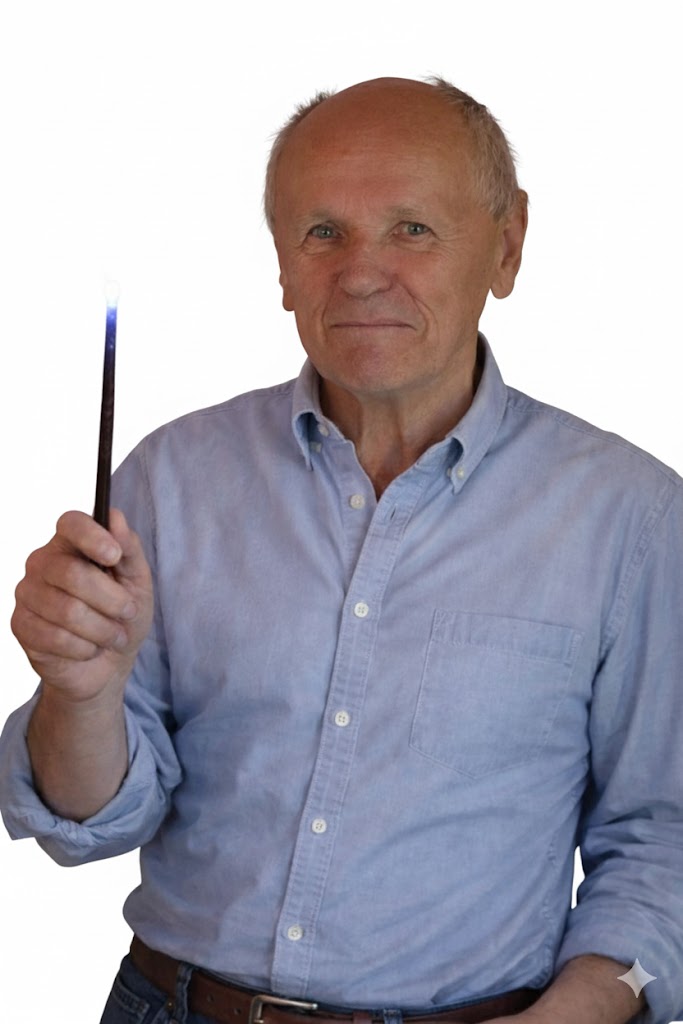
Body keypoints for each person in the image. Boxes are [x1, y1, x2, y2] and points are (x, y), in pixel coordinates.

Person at [1, 76, 682, 1024]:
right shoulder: (170, 478)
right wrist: (80, 695)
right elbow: (87, 824)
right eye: (323, 232)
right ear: (281, 262)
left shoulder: (630, 516)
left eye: (412, 229)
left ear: (507, 244)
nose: (361, 274)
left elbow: (662, 834)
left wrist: (577, 1013)